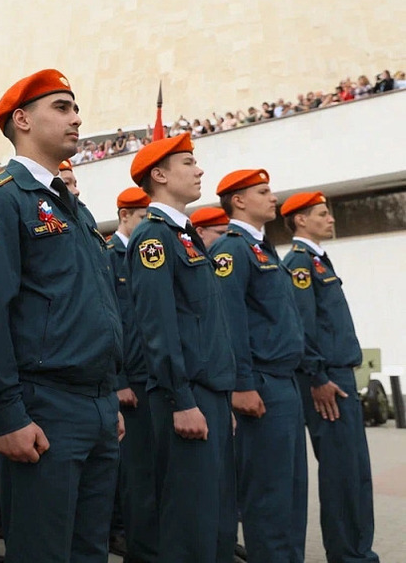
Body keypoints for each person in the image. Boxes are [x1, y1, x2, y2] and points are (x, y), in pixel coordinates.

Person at [0, 69, 123, 562]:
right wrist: (7, 413)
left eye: (75, 108)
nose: (77, 119)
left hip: (95, 404)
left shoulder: (74, 208)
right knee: (43, 551)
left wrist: (108, 399)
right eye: (61, 107)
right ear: (23, 120)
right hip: (43, 407)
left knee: (89, 550)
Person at [125, 134, 237, 563]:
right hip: (186, 395)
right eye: (188, 162)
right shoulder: (154, 238)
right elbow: (158, 327)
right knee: (191, 523)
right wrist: (181, 400)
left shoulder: (185, 237)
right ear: (159, 175)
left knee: (217, 520)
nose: (199, 169)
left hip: (209, 393)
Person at [210, 169, 307, 563]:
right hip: (261, 385)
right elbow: (229, 321)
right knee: (268, 495)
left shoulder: (262, 249)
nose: (273, 197)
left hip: (284, 381)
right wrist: (241, 384)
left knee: (292, 492)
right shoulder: (231, 250)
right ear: (239, 201)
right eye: (263, 191)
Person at [281, 192, 380, 563]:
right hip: (327, 381)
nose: (331, 219)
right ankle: (348, 555)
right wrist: (317, 376)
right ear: (301, 220)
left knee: (355, 472)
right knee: (342, 473)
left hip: (339, 375)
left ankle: (358, 550)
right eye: (322, 213)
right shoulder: (300, 263)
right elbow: (301, 327)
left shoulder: (318, 260)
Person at [106, 187, 156, 563]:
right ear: (125, 216)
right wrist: (119, 380)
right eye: (142, 217)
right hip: (128, 380)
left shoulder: (143, 251)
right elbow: (111, 321)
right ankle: (132, 542)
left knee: (150, 472)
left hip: (149, 376)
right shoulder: (110, 256)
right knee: (134, 474)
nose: (147, 224)